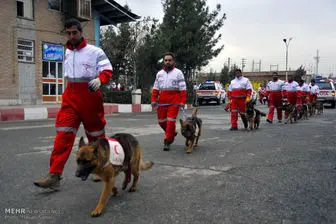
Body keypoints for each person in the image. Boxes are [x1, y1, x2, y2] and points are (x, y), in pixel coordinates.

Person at [34, 19, 113, 189]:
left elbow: (107, 69)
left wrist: (100, 80)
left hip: (90, 96)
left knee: (96, 136)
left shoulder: (95, 51)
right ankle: (54, 175)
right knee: (63, 135)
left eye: (74, 33)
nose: (71, 36)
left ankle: (101, 168)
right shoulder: (66, 52)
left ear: (80, 32)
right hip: (70, 96)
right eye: (68, 33)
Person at [151, 52, 187, 151]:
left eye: (169, 60)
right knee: (161, 122)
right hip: (162, 99)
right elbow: (156, 88)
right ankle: (171, 133)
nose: (167, 62)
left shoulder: (178, 73)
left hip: (174, 99)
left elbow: (183, 88)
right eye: (166, 60)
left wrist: (183, 101)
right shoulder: (159, 74)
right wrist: (153, 100)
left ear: (173, 61)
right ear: (163, 61)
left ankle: (167, 141)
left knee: (171, 121)